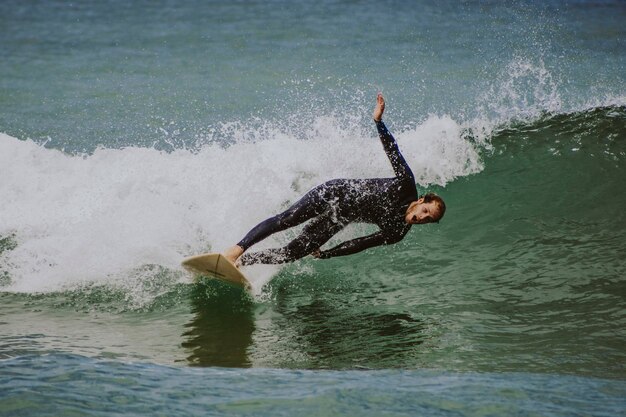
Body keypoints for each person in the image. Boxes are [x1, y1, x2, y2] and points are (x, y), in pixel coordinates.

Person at [223, 93, 446, 266]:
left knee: (294, 253)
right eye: (426, 211)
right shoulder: (406, 184)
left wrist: (327, 254)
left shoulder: (397, 231)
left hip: (340, 217)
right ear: (421, 200)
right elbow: (393, 151)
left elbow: (360, 244)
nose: (423, 218)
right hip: (335, 193)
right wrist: (378, 122)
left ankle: (244, 263)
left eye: (428, 220)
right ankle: (237, 250)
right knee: (288, 219)